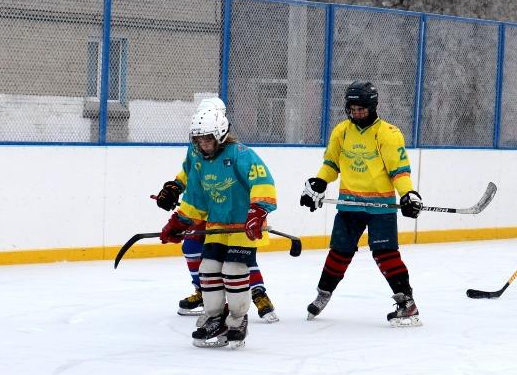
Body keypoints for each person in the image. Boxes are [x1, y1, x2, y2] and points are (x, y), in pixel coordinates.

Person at [300, 81, 424, 326]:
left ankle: (407, 303)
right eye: (352, 108)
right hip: (349, 205)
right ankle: (323, 294)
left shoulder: (388, 133)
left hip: (382, 207)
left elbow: (399, 172)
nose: (356, 113)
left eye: (361, 109)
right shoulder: (342, 131)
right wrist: (318, 183)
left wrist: (408, 194)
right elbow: (331, 165)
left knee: (385, 254)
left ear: (373, 107)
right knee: (339, 252)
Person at [158, 103, 276, 348]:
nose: (203, 145)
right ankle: (214, 317)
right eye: (199, 140)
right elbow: (196, 198)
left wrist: (258, 210)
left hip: (243, 226)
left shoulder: (240, 154)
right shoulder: (199, 160)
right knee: (209, 268)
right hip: (216, 225)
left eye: (208, 140)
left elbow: (263, 181)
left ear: (221, 136)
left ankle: (238, 319)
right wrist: (180, 221)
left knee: (234, 270)